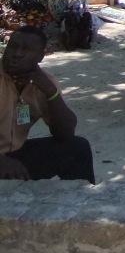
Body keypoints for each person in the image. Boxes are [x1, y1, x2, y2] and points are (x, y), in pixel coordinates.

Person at [0, 26, 95, 183]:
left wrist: (51, 92)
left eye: (27, 49)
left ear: (41, 57)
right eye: (13, 47)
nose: (17, 53)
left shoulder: (45, 82)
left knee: (78, 147)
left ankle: (78, 198)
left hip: (13, 154)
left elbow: (65, 134)